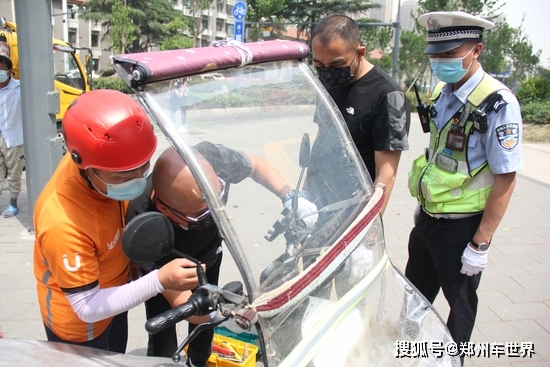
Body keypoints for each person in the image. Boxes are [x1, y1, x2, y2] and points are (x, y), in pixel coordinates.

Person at [33, 90, 203, 353]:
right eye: (124, 176)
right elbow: (87, 307)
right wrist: (159, 280)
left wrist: (130, 260)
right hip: (80, 326)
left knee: (116, 355)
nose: (137, 180)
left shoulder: (101, 163)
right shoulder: (62, 222)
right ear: (83, 165)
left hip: (114, 295)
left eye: (143, 167)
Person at [126, 143, 318, 366]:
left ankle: (198, 361)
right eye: (201, 217)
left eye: (217, 201)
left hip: (208, 255)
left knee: (203, 335)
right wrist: (236, 313)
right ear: (164, 209)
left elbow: (255, 165)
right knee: (163, 334)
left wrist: (289, 196)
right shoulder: (141, 222)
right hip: (165, 269)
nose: (213, 217)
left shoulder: (210, 159)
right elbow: (183, 304)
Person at [405, 11, 523, 363]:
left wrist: (480, 243)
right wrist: (424, 202)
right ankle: (410, 354)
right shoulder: (445, 91)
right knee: (413, 300)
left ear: (476, 50)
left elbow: (506, 177)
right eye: (435, 54)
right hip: (427, 221)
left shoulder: (498, 104)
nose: (440, 61)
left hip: (462, 229)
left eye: (450, 53)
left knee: (459, 309)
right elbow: (441, 153)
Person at [310, 14, 410, 214]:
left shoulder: (387, 94)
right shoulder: (326, 83)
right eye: (320, 65)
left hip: (356, 207)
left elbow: (387, 173)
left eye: (337, 65)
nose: (328, 72)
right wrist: (306, 190)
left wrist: (369, 224)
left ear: (360, 53)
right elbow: (322, 135)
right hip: (321, 203)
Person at [0, 54, 24, 218]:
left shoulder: (20, 88)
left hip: (14, 138)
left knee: (14, 174)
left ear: (9, 70)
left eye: (1, 68)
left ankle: (13, 203)